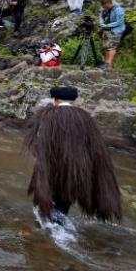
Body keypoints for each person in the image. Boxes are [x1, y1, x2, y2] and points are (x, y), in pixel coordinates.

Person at [24, 86, 122, 224]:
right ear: (74, 101)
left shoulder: (47, 115)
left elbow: (38, 142)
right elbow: (96, 149)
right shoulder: (85, 117)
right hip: (76, 172)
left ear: (55, 100)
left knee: (44, 205)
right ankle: (60, 230)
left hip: (50, 169)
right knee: (63, 206)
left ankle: (44, 231)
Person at [97, 0, 125, 69]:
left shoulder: (118, 9)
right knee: (106, 47)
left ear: (109, 3)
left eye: (105, 6)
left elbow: (119, 22)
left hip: (115, 31)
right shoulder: (103, 8)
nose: (104, 8)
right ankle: (106, 63)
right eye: (103, 7)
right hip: (106, 30)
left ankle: (109, 64)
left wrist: (107, 25)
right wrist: (101, 23)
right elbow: (100, 16)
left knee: (111, 47)